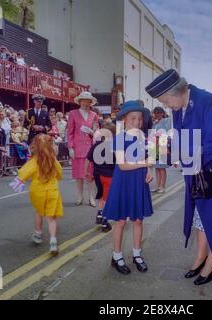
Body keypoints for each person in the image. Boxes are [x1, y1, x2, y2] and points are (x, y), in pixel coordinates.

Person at [146, 69, 212, 285]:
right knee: (199, 213)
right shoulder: (179, 108)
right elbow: (180, 138)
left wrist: (185, 156)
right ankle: (200, 256)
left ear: (176, 92)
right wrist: (165, 151)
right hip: (198, 167)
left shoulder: (208, 101)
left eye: (165, 100)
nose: (166, 105)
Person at [103, 101, 153, 275]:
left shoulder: (142, 138)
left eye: (140, 119)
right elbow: (123, 166)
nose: (137, 122)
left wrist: (149, 170)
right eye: (133, 118)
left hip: (138, 182)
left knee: (138, 220)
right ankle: (117, 256)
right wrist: (145, 163)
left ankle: (137, 255)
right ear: (124, 119)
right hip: (123, 182)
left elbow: (145, 159)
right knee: (121, 221)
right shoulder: (118, 139)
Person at [11, 134, 63, 255]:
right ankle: (53, 241)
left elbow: (24, 173)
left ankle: (38, 234)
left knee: (39, 212)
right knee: (51, 218)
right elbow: (59, 174)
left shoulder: (34, 161)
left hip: (38, 191)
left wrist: (17, 184)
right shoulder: (53, 160)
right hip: (52, 191)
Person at [67, 91, 99, 207]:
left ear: (91, 103)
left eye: (88, 102)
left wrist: (92, 132)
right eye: (84, 101)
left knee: (90, 174)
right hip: (77, 147)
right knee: (78, 174)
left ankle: (91, 196)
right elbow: (69, 132)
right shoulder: (73, 113)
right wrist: (70, 147)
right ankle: (80, 196)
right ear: (80, 102)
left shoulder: (94, 115)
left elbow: (97, 132)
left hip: (89, 147)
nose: (86, 104)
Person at [84, 122, 117, 232]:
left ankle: (99, 214)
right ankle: (104, 221)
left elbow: (88, 159)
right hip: (109, 176)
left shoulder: (96, 145)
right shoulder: (114, 146)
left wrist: (86, 172)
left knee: (101, 195)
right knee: (108, 198)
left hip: (97, 174)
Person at [151, 106, 171, 193]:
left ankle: (162, 186)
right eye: (155, 113)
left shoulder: (166, 121)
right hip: (154, 146)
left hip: (162, 145)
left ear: (162, 113)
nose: (157, 114)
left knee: (162, 167)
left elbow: (167, 134)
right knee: (157, 167)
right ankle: (158, 186)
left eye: (159, 113)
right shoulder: (154, 123)